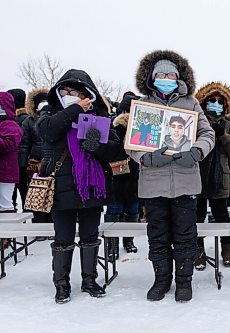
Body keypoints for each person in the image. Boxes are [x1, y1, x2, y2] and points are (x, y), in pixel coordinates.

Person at [130, 49, 215, 302]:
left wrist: (197, 152)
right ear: (152, 77)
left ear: (179, 77)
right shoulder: (143, 104)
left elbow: (207, 134)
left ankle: (184, 281)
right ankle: (161, 279)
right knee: (157, 235)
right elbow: (131, 143)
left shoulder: (191, 103)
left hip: (185, 180)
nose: (166, 77)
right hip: (153, 183)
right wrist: (143, 157)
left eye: (171, 73)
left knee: (185, 234)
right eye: (161, 74)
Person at [37, 69, 122, 304]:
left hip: (92, 187)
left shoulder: (101, 117)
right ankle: (61, 284)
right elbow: (48, 132)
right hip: (61, 187)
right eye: (64, 91)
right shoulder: (50, 114)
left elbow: (116, 150)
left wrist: (96, 146)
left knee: (89, 236)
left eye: (73, 91)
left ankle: (89, 280)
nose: (68, 95)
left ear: (87, 93)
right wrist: (74, 109)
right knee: (62, 238)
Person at [193, 82, 230, 270]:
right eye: (212, 100)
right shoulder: (196, 122)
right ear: (204, 103)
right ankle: (198, 251)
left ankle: (226, 249)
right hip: (198, 175)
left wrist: (223, 134)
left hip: (220, 177)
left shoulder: (228, 125)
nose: (216, 104)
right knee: (197, 216)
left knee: (222, 215)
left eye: (220, 101)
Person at [105, 94, 141, 260]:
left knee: (132, 211)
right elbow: (109, 151)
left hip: (134, 175)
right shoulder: (114, 127)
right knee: (114, 211)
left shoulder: (141, 128)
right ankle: (111, 245)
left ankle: (129, 240)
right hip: (116, 176)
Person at [19, 88, 52, 224]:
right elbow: (24, 144)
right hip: (35, 164)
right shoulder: (28, 121)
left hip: (52, 161)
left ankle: (52, 224)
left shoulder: (54, 118)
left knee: (52, 194)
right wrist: (22, 164)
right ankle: (39, 224)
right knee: (37, 194)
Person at [0, 92, 23, 213]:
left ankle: (9, 231)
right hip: (5, 171)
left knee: (5, 204)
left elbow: (9, 144)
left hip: (6, 172)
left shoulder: (11, 125)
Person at [8, 88, 29, 211]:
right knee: (26, 195)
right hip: (27, 162)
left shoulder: (10, 121)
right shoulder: (29, 119)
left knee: (10, 197)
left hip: (13, 163)